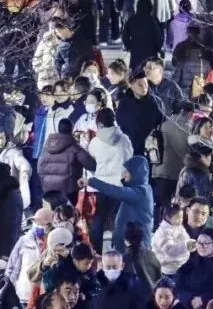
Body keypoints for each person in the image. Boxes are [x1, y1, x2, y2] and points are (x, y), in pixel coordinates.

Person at [83, 155, 154, 252]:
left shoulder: (140, 192)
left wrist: (91, 182)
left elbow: (114, 191)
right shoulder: (140, 189)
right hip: (128, 245)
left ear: (135, 173)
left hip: (136, 247)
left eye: (126, 172)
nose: (123, 175)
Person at [86, 108, 133, 254]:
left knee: (99, 216)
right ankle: (118, 250)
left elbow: (92, 160)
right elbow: (129, 158)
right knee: (117, 218)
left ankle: (96, 250)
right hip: (119, 186)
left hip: (101, 186)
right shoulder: (124, 139)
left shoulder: (94, 142)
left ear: (99, 124)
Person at [37, 118, 96, 202]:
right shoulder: (74, 148)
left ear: (58, 129)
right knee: (70, 209)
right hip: (69, 191)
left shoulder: (46, 148)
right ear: (71, 129)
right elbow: (91, 164)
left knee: (55, 209)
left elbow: (39, 168)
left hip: (49, 191)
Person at [151, 105, 192, 222]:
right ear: (189, 113)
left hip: (159, 170)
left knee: (160, 203)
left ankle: (157, 226)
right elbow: (186, 152)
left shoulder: (163, 124)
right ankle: (169, 225)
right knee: (174, 206)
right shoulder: (187, 128)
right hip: (175, 172)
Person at [5, 208, 51, 309]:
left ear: (49, 225)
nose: (36, 225)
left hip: (44, 297)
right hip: (23, 294)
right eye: (35, 222)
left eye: (39, 223)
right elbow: (12, 265)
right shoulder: (24, 241)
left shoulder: (53, 244)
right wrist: (9, 286)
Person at [115, 71, 163, 161]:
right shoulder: (124, 103)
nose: (144, 87)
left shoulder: (156, 102)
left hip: (150, 148)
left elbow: (161, 123)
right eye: (140, 84)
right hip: (130, 149)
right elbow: (120, 124)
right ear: (131, 85)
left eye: (146, 84)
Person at [122, 0, 164, 71]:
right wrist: (158, 48)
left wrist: (129, 46)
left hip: (136, 54)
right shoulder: (154, 20)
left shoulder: (131, 20)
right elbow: (159, 37)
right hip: (151, 54)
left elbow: (125, 36)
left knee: (136, 74)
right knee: (150, 73)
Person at [151, 203, 193, 275]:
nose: (180, 220)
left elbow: (186, 238)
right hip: (168, 267)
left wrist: (191, 244)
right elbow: (169, 249)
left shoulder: (178, 226)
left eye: (181, 217)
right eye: (177, 218)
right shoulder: (163, 232)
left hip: (180, 263)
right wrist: (186, 245)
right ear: (167, 218)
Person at [122, 220, 162, 294]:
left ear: (125, 240)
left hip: (132, 298)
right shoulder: (151, 255)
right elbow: (159, 278)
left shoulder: (123, 259)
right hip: (152, 296)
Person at [172, 22, 212, 94]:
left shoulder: (180, 46)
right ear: (199, 32)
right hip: (199, 89)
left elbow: (174, 62)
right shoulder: (204, 48)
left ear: (187, 32)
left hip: (183, 87)